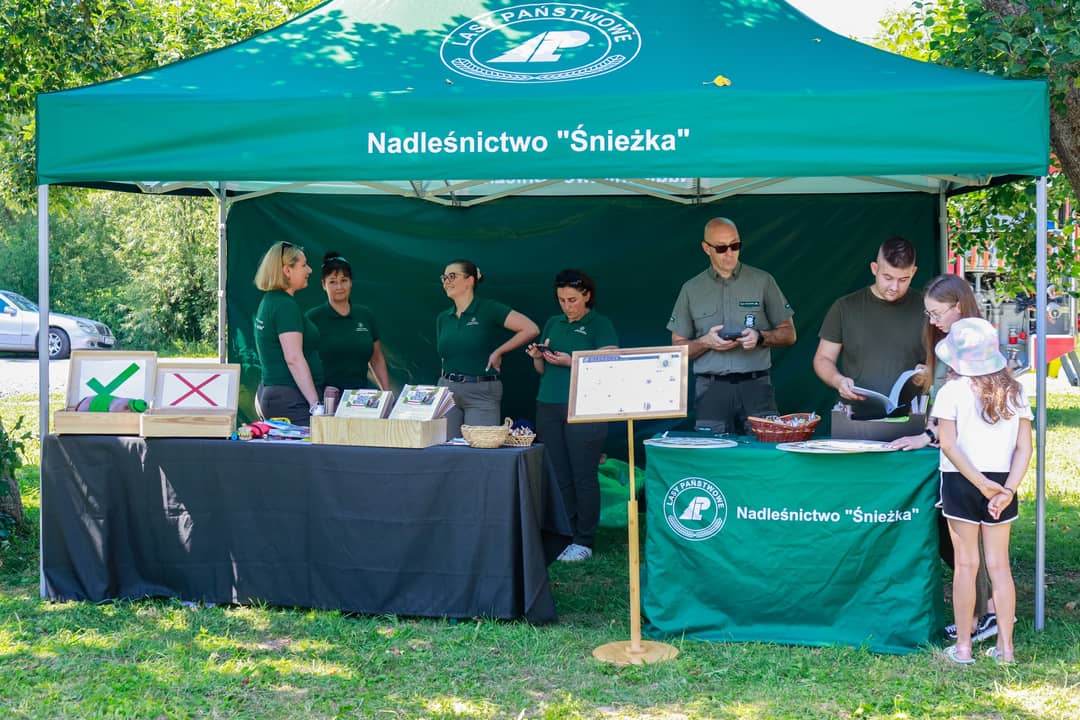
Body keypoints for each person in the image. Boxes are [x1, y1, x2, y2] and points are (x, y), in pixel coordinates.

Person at [889, 273, 1001, 643]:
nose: (933, 321)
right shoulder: (948, 345)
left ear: (959, 306)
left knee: (968, 546)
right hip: (965, 459)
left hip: (971, 462)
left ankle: (984, 615)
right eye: (929, 314)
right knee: (959, 541)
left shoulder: (975, 348)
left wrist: (927, 435)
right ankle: (984, 614)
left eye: (937, 313)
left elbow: (962, 416)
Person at [932, 318, 1031, 665]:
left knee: (966, 565)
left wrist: (979, 483)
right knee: (999, 566)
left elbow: (948, 444)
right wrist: (1007, 489)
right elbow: (1025, 448)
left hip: (961, 479)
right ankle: (1006, 649)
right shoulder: (1016, 391)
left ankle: (963, 648)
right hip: (1002, 483)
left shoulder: (951, 392)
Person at [667, 217, 796, 434]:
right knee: (712, 451)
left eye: (735, 245)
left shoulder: (763, 281)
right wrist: (706, 342)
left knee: (762, 449)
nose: (729, 253)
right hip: (712, 388)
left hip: (756, 385)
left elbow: (789, 333)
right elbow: (677, 349)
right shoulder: (691, 289)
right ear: (706, 248)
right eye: (721, 248)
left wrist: (760, 337)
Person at [525, 270, 619, 563]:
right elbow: (542, 371)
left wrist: (572, 361)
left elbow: (611, 361)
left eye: (573, 300)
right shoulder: (553, 322)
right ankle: (565, 533)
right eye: (562, 300)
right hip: (548, 403)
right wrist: (539, 358)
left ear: (587, 296)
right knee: (558, 473)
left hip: (586, 406)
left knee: (583, 474)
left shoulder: (600, 324)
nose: (567, 306)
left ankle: (584, 539)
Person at [813, 236, 925, 416]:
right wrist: (838, 380)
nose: (894, 287)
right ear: (874, 268)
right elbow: (823, 358)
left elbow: (944, 361)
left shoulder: (927, 308)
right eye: (888, 277)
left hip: (912, 419)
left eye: (903, 279)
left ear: (914, 272)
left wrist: (929, 372)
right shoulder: (845, 307)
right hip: (855, 417)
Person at [436, 259, 539, 439]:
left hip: (481, 390)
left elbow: (530, 329)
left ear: (470, 280)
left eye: (452, 276)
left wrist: (499, 351)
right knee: (445, 447)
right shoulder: (443, 318)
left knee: (480, 446)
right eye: (444, 278)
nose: (447, 281)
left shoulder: (489, 308)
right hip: (447, 390)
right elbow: (444, 357)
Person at [253, 241, 324, 426]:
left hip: (274, 393)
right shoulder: (285, 306)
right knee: (310, 445)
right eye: (303, 265)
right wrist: (315, 405)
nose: (309, 270)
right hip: (290, 399)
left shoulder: (270, 301)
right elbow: (293, 358)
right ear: (287, 270)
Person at [305, 251, 391, 394]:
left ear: (351, 282)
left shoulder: (365, 315)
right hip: (326, 397)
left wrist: (387, 394)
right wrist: (314, 397)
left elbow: (376, 358)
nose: (339, 287)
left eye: (344, 280)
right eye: (332, 282)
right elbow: (302, 359)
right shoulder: (313, 317)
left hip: (360, 397)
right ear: (323, 284)